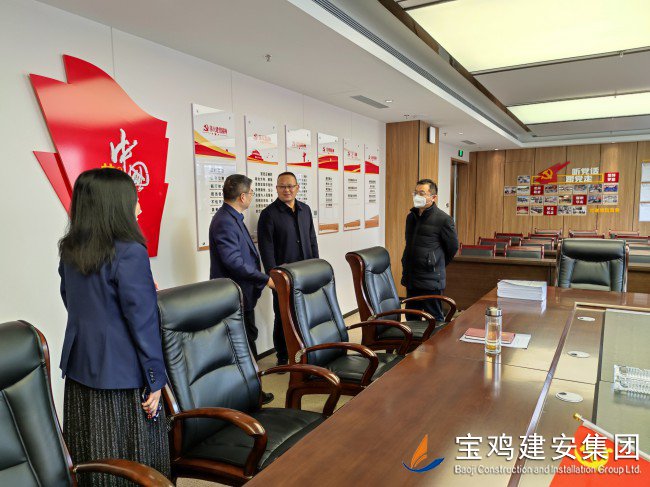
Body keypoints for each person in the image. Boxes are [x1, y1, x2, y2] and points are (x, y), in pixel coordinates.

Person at [58, 168, 169, 486]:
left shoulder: (70, 248)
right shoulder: (130, 250)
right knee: (132, 459)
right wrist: (156, 378)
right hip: (122, 374)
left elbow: (71, 298)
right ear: (115, 205)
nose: (140, 208)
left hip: (81, 367)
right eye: (135, 199)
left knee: (91, 452)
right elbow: (143, 322)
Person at [209, 174, 275, 403]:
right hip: (233, 294)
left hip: (243, 293)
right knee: (244, 345)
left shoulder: (232, 217)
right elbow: (234, 262)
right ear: (243, 196)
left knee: (248, 340)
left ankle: (252, 392)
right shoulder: (225, 221)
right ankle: (252, 395)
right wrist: (264, 279)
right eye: (251, 193)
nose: (252, 197)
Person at [257, 171, 319, 366]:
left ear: (297, 188)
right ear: (276, 189)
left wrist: (316, 266)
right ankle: (283, 356)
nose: (287, 190)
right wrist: (273, 276)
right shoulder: (269, 214)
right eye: (282, 186)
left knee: (305, 313)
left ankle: (307, 350)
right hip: (284, 277)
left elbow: (312, 239)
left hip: (306, 273)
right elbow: (266, 248)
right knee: (283, 316)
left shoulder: (305, 210)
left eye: (290, 186)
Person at [401, 178, 458, 323]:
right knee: (411, 316)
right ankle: (415, 339)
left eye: (421, 193)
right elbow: (409, 243)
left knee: (434, 318)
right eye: (415, 193)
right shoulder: (411, 217)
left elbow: (452, 247)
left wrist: (435, 262)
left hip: (431, 278)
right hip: (412, 276)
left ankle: (437, 339)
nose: (417, 196)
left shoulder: (444, 219)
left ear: (433, 197)